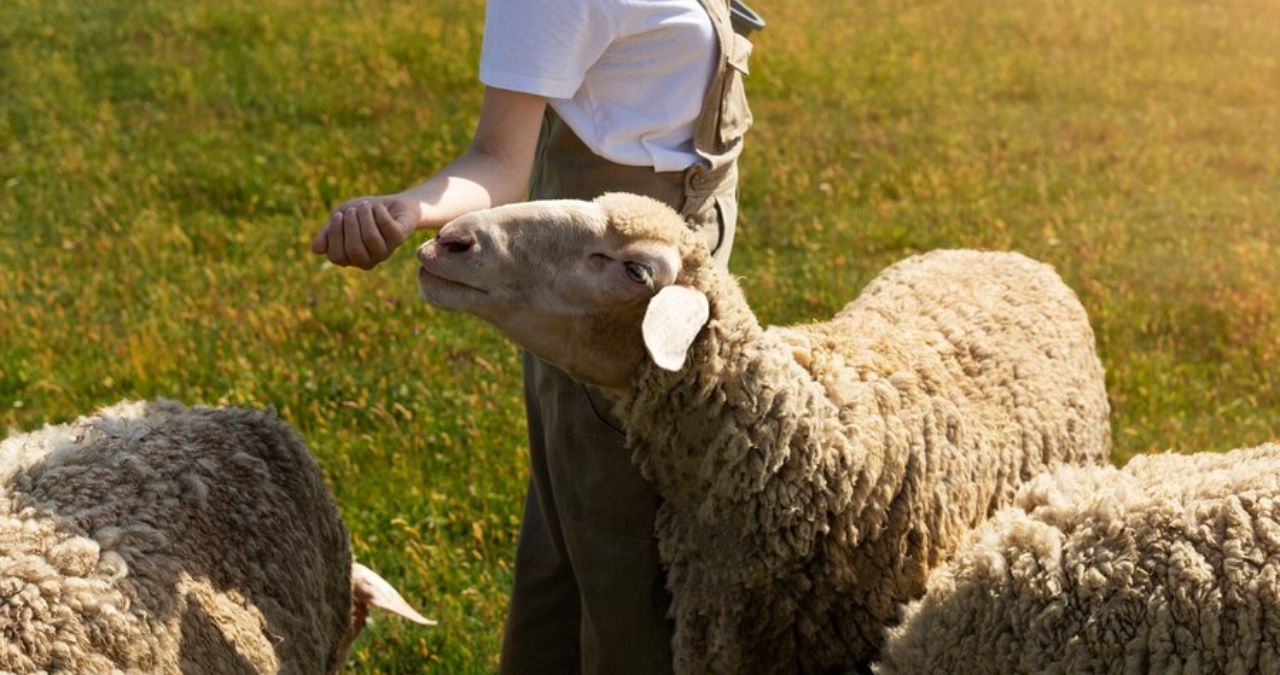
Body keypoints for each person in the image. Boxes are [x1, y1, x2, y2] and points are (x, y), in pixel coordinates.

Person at [311, 1, 755, 672]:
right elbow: (498, 158)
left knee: (574, 542)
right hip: (601, 298)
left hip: (681, 280)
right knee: (626, 566)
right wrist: (408, 212)